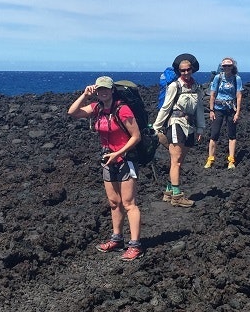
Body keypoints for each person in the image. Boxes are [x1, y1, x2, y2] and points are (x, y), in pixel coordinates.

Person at [68, 76, 143, 261]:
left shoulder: (122, 109)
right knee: (113, 202)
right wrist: (85, 95)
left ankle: (135, 245)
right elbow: (72, 113)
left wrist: (118, 153)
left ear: (112, 90)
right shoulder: (97, 108)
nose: (103, 92)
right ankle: (116, 239)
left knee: (128, 203)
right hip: (107, 160)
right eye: (99, 89)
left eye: (106, 89)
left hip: (125, 159)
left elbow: (136, 136)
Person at [152, 54, 206, 207]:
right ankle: (177, 196)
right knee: (176, 160)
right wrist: (156, 126)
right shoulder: (174, 86)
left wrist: (201, 127)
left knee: (179, 161)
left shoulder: (196, 87)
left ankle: (169, 191)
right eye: (182, 70)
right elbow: (166, 107)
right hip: (176, 123)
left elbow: (199, 109)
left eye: (188, 69)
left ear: (193, 69)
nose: (186, 73)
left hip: (189, 126)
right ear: (179, 71)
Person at [205, 57, 244, 170]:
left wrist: (237, 112)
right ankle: (210, 159)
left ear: (233, 66)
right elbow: (212, 94)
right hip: (218, 108)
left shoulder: (237, 79)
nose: (227, 67)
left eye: (229, 65)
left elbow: (239, 96)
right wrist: (211, 110)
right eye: (225, 66)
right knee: (214, 134)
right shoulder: (218, 77)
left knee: (232, 135)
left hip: (231, 109)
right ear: (222, 67)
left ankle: (231, 160)